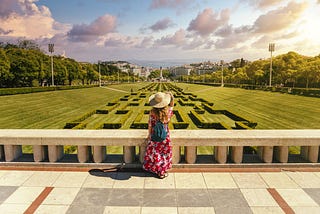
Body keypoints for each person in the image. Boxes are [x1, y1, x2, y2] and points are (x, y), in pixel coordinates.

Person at [143, 91, 174, 179]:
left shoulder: (152, 113)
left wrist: (149, 134)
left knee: (156, 153)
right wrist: (171, 97)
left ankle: (156, 169)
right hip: (165, 136)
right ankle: (162, 171)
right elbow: (172, 105)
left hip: (154, 135)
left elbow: (150, 124)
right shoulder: (167, 113)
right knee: (164, 154)